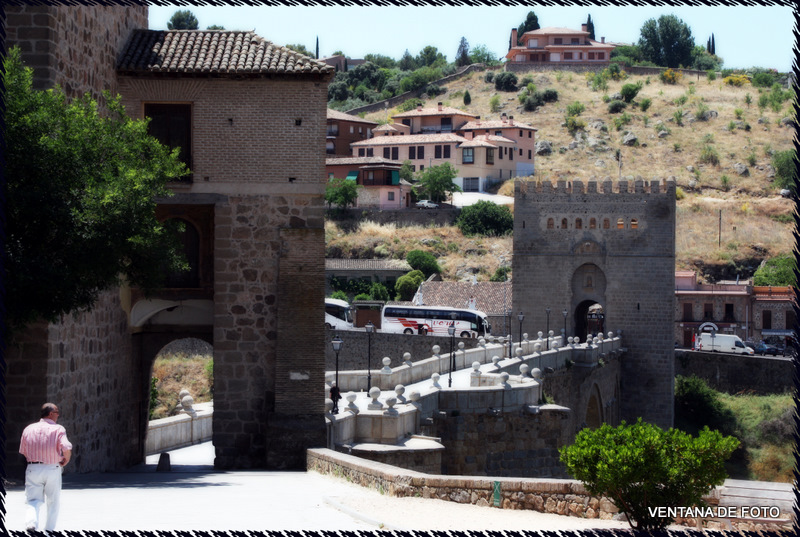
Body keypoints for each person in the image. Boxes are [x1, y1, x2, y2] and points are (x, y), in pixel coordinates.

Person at [19, 402, 72, 532]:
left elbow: (23, 451)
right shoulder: (59, 429)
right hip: (52, 468)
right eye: (57, 412)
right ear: (50, 414)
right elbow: (66, 447)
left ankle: (31, 523)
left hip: (33, 468)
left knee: (32, 499)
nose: (58, 415)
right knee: (53, 500)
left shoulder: (28, 429)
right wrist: (66, 459)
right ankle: (49, 529)